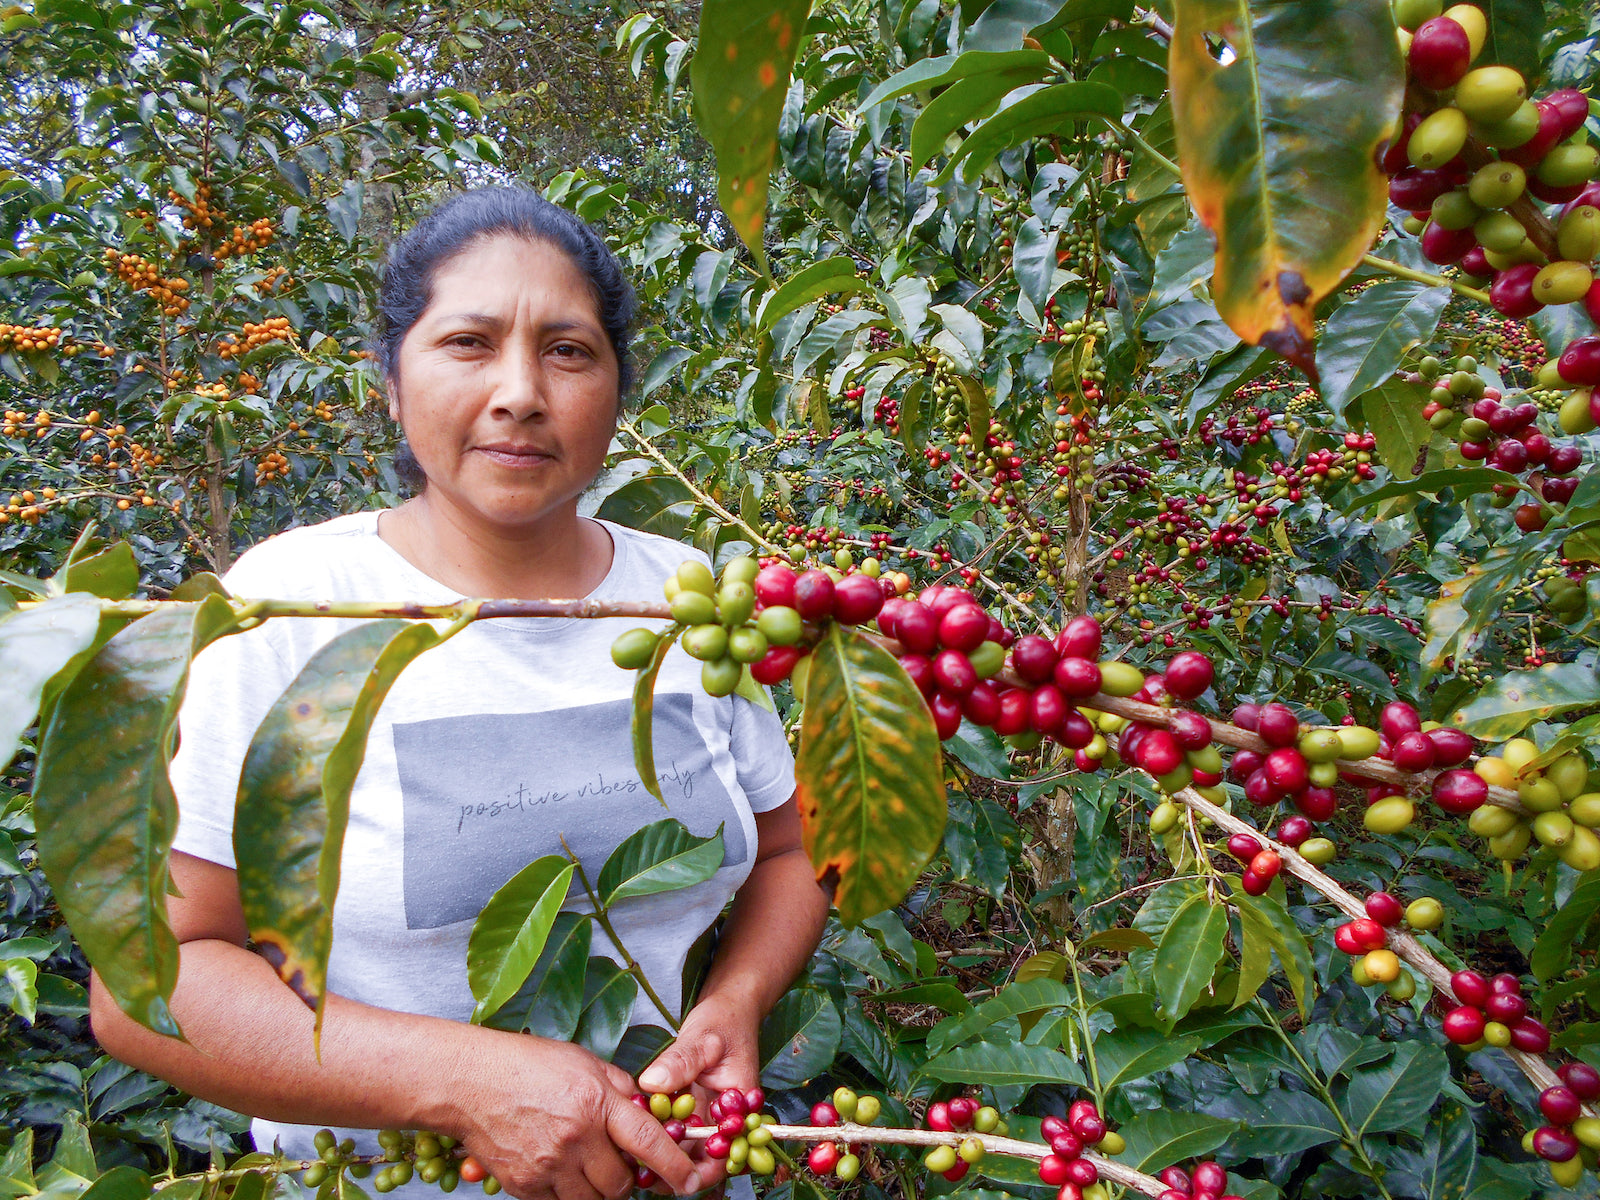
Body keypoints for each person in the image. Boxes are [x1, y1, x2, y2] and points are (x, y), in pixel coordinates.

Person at [86, 187, 831, 1200]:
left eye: (568, 351)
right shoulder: (291, 607)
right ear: (393, 384)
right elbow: (148, 984)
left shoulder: (688, 600)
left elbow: (791, 851)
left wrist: (734, 1003)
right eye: (469, 343)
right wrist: (460, 1083)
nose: (521, 391)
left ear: (618, 391)